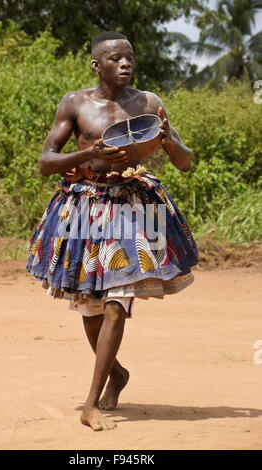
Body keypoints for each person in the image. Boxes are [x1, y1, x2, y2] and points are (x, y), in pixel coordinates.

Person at [26, 31, 199, 431]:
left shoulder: (149, 104)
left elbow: (184, 162)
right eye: (117, 59)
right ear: (97, 64)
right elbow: (46, 162)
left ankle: (91, 405)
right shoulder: (76, 102)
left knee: (118, 302)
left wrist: (167, 138)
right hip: (84, 206)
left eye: (130, 58)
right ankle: (116, 374)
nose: (126, 64)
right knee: (89, 308)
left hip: (135, 208)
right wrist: (91, 153)